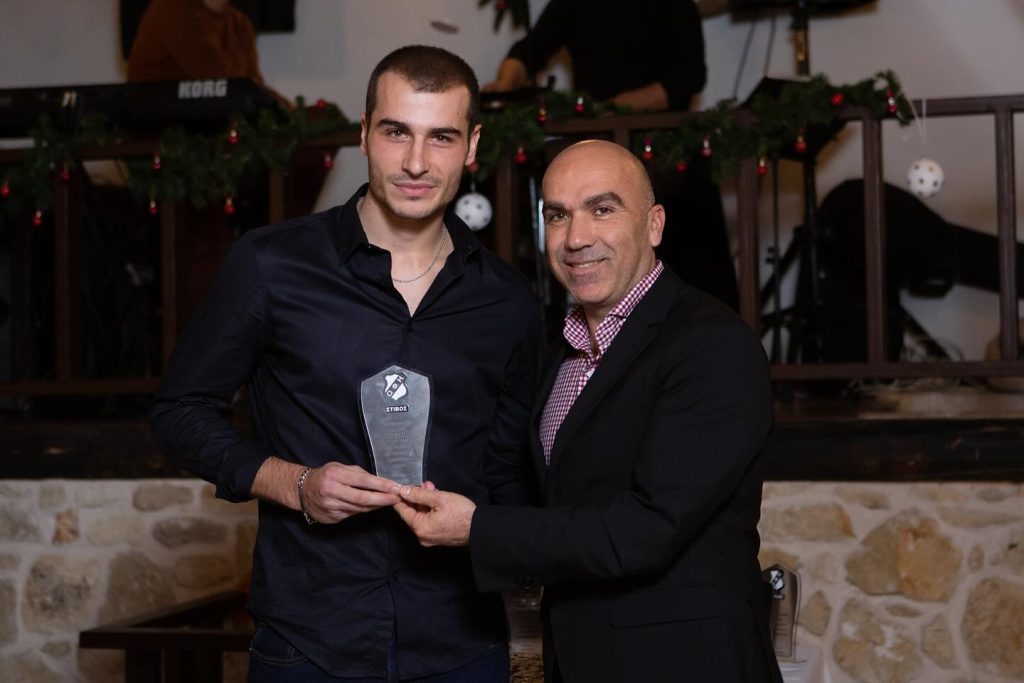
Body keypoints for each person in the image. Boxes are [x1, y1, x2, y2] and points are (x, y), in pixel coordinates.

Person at [150, 45, 541, 681]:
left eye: (441, 137)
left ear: (472, 146)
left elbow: (510, 470)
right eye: (396, 132)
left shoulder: (507, 301)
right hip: (309, 643)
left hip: (461, 645)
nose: (416, 162)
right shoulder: (271, 265)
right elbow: (179, 412)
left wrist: (492, 536)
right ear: (364, 134)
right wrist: (295, 483)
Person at [396, 140, 783, 683]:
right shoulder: (564, 349)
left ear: (653, 225)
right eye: (558, 215)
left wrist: (476, 528)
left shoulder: (712, 345)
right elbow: (558, 495)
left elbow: (645, 530)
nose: (576, 238)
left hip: (685, 661)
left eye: (602, 209)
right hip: (580, 657)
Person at [485, 0, 740, 311]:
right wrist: (505, 84)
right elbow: (528, 51)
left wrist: (614, 109)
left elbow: (687, 79)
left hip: (667, 154)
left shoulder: (675, 4)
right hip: (597, 149)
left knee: (691, 263)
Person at [127, 0, 268, 86]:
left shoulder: (240, 25)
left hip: (215, 122)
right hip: (163, 124)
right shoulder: (173, 7)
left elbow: (254, 86)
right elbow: (221, 80)